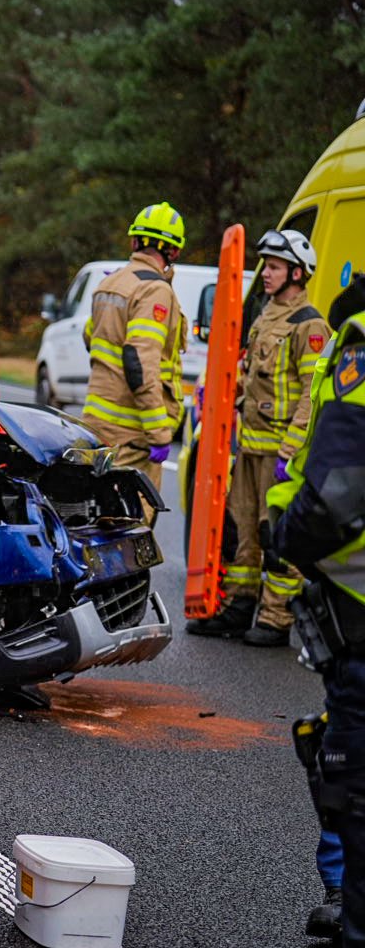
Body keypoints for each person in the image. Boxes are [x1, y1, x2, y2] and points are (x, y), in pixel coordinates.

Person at [267, 273, 365, 948]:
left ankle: (349, 907)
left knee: (348, 775)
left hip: (358, 613)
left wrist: (287, 538)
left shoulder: (352, 344)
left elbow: (333, 498)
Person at [188, 228, 327, 642]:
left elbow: (312, 393)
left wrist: (293, 448)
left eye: (275, 267)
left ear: (298, 274)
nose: (265, 273)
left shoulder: (310, 325)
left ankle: (276, 617)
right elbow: (251, 376)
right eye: (266, 265)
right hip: (249, 445)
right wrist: (219, 398)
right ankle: (240, 604)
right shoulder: (266, 316)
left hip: (280, 451)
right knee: (241, 528)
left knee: (276, 534)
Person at [81, 202, 189, 492]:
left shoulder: (110, 282)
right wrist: (158, 433)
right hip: (132, 434)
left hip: (96, 422)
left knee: (95, 515)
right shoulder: (155, 290)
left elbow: (90, 337)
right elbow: (138, 362)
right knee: (132, 521)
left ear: (134, 241)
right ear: (174, 251)